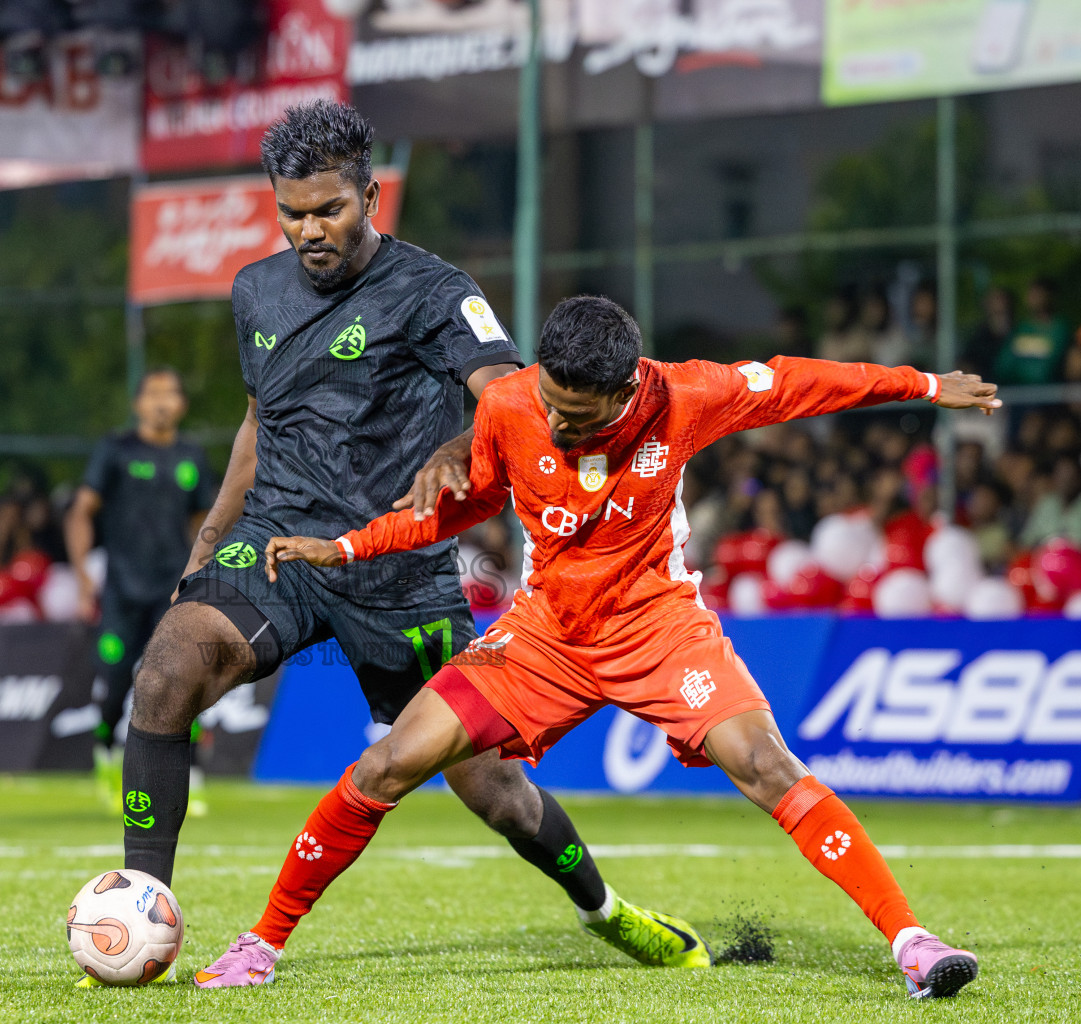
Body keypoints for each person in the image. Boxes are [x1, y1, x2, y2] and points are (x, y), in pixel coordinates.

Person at [212, 295, 1000, 999]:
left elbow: (800, 382)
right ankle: (260, 945)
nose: (556, 424)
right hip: (544, 635)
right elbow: (470, 501)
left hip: (658, 627)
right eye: (551, 403)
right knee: (388, 763)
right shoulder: (515, 403)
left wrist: (924, 385)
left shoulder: (684, 396)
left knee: (767, 765)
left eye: (578, 415)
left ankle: (913, 942)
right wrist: (347, 547)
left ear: (626, 391)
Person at [124, 102, 709, 987]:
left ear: (370, 194)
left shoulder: (438, 293)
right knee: (165, 672)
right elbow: (258, 418)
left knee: (494, 790)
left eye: (329, 208)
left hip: (397, 568)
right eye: (293, 212)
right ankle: (142, 910)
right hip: (279, 544)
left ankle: (602, 909)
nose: (310, 229)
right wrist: (209, 538)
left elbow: (510, 395)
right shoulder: (255, 291)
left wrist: (453, 448)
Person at [64, 367, 213, 806]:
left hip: (172, 592)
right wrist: (81, 573)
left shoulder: (192, 457)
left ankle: (191, 774)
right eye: (153, 394)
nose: (162, 401)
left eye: (171, 393)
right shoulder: (115, 450)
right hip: (122, 591)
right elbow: (80, 510)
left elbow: (204, 520)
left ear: (182, 405)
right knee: (114, 679)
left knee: (182, 678)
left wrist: (203, 567)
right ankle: (107, 754)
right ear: (138, 404)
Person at [995, 278, 1071, 385]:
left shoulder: (1060, 329)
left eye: (1037, 293)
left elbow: (1049, 368)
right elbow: (1004, 365)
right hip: (1016, 393)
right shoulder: (1021, 328)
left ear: (1049, 296)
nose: (1032, 298)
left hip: (1047, 394)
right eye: (1031, 293)